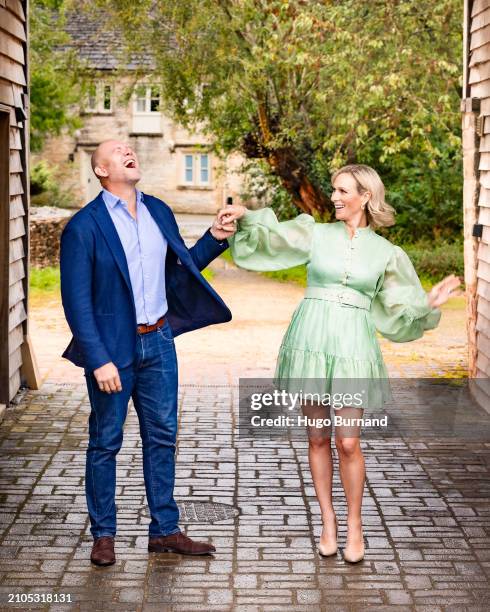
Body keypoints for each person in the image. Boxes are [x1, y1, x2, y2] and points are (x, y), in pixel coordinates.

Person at [217, 164, 460, 563]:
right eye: (333, 189)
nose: (334, 197)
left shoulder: (386, 253)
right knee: (317, 437)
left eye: (342, 190)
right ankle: (327, 522)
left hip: (353, 345)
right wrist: (247, 216)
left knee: (348, 441)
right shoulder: (316, 233)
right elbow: (273, 238)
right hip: (311, 338)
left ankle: (355, 526)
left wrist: (428, 303)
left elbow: (399, 307)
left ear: (365, 196)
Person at [60, 140, 236, 566]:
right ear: (102, 170)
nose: (129, 151)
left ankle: (164, 531)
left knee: (163, 437)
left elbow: (178, 272)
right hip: (113, 349)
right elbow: (76, 300)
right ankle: (104, 535)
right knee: (106, 442)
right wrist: (98, 358)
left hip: (159, 341)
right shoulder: (85, 227)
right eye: (118, 150)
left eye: (130, 147)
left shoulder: (159, 210)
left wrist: (214, 238)